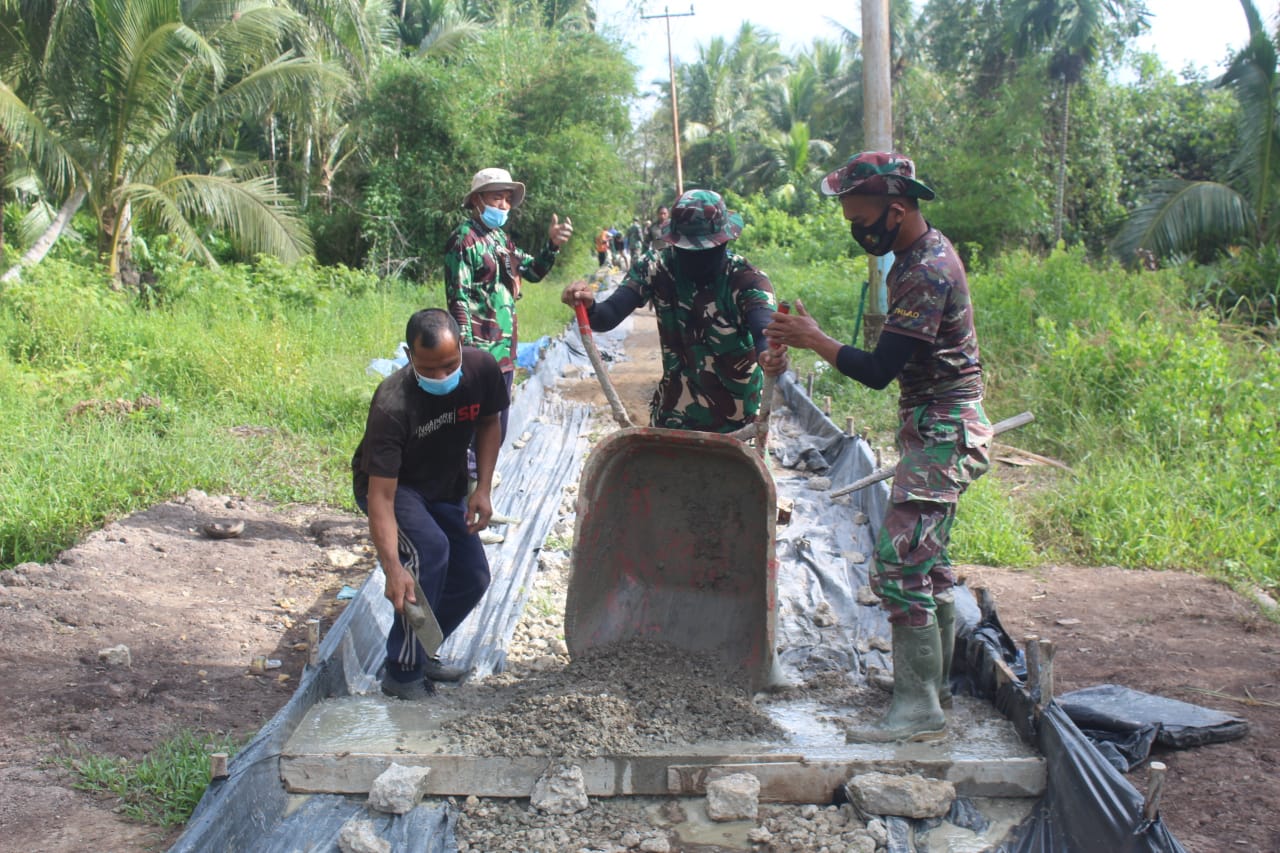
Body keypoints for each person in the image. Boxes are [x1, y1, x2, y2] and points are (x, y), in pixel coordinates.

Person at [764, 152, 993, 742]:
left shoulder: (925, 270)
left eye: (862, 221)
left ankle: (919, 711)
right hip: (933, 423)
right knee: (928, 559)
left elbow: (878, 370)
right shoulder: (913, 257)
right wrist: (815, 337)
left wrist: (814, 340)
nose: (858, 232)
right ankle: (931, 687)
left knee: (898, 561)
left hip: (946, 428)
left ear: (896, 210)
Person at [351, 309, 510, 700]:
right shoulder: (393, 403)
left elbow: (490, 422)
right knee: (430, 551)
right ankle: (403, 673)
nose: (441, 377)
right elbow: (381, 496)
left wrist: (482, 487)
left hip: (444, 484)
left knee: (473, 577)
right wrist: (392, 567)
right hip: (396, 488)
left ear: (461, 347)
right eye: (429, 369)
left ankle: (422, 650)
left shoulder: (480, 369)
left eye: (448, 366)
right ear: (409, 356)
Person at [562, 189, 788, 432]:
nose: (697, 258)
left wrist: (770, 356)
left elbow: (764, 331)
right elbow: (607, 316)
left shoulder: (747, 281)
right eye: (688, 250)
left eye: (706, 250)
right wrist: (589, 305)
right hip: (675, 413)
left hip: (738, 423)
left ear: (725, 241)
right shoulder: (656, 267)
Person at [445, 167, 573, 445]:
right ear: (477, 200)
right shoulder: (465, 239)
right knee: (474, 422)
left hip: (504, 350)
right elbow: (458, 297)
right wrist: (467, 352)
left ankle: (486, 475)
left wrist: (552, 246)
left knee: (497, 422)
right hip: (478, 350)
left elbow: (533, 271)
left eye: (506, 199)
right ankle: (470, 480)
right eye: (496, 198)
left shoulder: (502, 241)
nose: (503, 205)